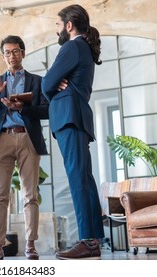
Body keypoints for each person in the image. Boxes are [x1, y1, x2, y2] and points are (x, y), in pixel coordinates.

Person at [41, 4, 105, 260]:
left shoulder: (71, 46)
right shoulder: (84, 49)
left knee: (79, 180)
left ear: (69, 25)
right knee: (84, 179)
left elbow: (46, 83)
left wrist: (54, 88)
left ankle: (87, 240)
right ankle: (93, 239)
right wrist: (58, 85)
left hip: (69, 118)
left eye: (58, 25)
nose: (57, 30)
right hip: (77, 118)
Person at [0, 35, 49, 260]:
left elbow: (46, 110)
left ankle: (30, 245)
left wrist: (22, 108)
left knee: (30, 195)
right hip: (2, 140)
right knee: (0, 195)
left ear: (23, 53)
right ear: (3, 55)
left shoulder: (37, 81)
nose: (11, 56)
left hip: (27, 138)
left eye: (15, 51)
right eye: (7, 52)